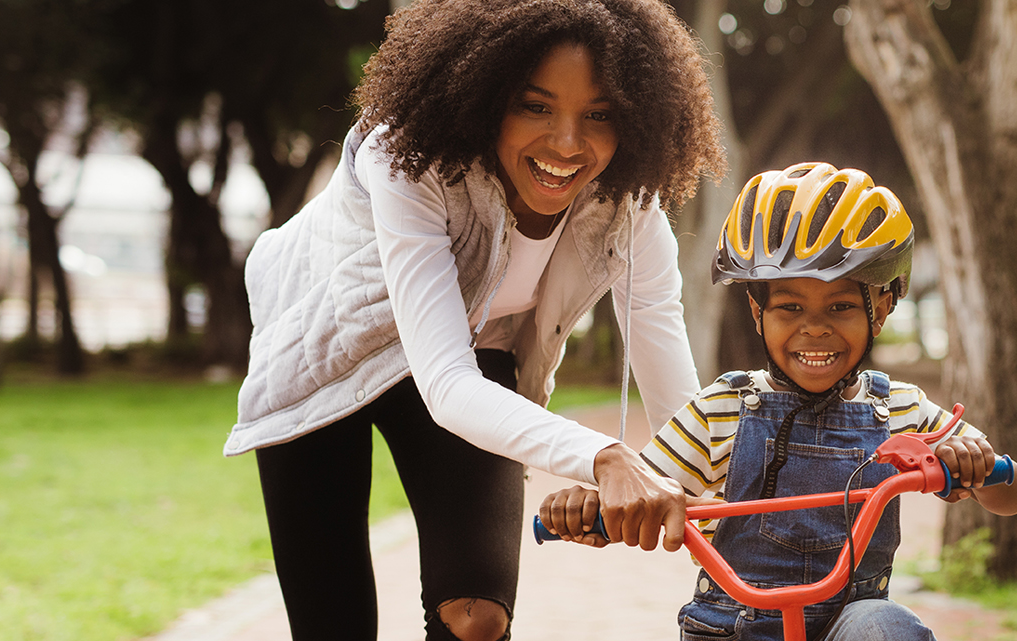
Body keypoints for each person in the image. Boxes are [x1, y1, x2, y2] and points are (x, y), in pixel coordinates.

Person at [222, 1, 726, 639]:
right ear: (486, 95)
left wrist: (714, 489)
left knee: (477, 618)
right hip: (323, 356)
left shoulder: (628, 203)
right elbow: (446, 384)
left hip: (469, 353)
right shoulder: (407, 155)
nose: (567, 144)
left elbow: (661, 347)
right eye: (534, 106)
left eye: (598, 115)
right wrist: (603, 458)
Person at [538, 162, 1017, 641]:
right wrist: (589, 510)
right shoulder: (722, 410)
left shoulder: (901, 409)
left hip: (852, 625)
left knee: (887, 626)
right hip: (732, 627)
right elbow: (642, 493)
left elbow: (1013, 495)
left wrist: (977, 465)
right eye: (790, 307)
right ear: (757, 310)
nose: (814, 327)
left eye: (839, 307)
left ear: (879, 310)